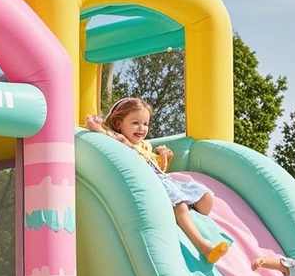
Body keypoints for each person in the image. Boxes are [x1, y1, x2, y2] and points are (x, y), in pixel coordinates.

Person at [85, 97, 230, 263]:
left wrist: (164, 156)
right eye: (135, 123)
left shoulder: (144, 145)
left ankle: (189, 209)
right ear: (119, 124)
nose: (142, 128)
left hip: (165, 180)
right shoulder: (121, 141)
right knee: (180, 206)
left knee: (205, 197)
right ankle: (204, 247)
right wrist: (96, 127)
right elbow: (108, 136)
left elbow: (158, 167)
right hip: (151, 183)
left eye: (145, 124)